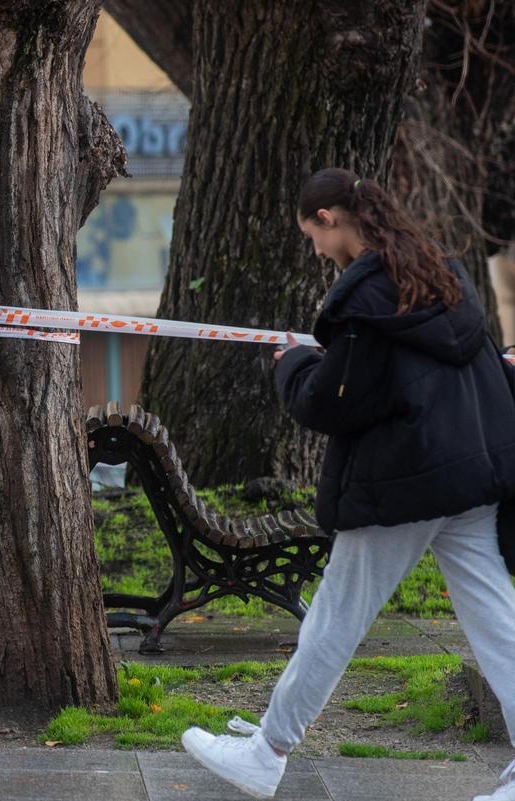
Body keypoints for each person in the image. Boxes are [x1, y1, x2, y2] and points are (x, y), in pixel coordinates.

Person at [179, 167, 515, 800]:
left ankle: (266, 752)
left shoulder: (365, 303)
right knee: (500, 624)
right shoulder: (438, 277)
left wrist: (294, 366)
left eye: (313, 236)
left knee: (334, 618)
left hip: (406, 484)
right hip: (473, 473)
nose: (316, 251)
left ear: (331, 220)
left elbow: (336, 402)